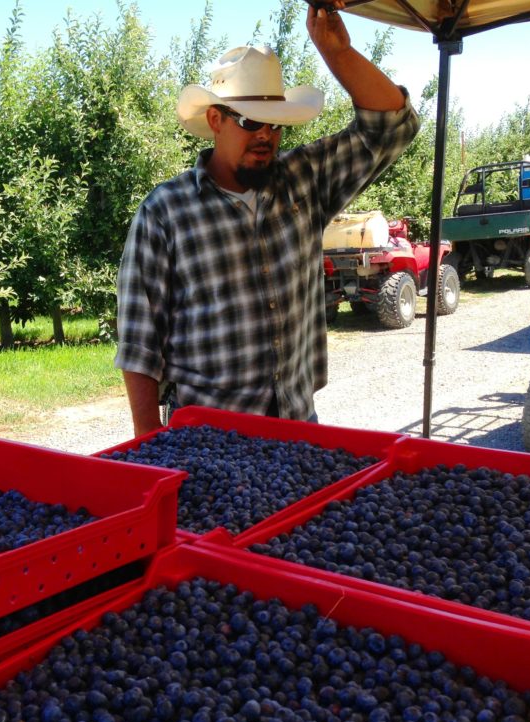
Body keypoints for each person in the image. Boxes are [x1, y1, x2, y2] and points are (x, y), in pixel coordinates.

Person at [114, 2, 421, 437]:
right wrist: (149, 451)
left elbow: (393, 125)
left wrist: (337, 52)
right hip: (207, 442)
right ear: (216, 120)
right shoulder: (165, 212)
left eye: (275, 123)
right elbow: (139, 345)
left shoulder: (305, 181)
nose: (266, 135)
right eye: (251, 120)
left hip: (298, 431)